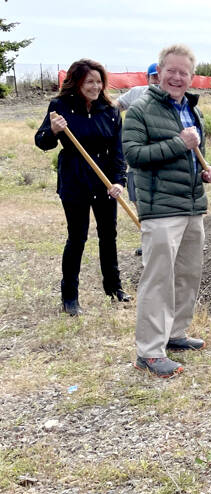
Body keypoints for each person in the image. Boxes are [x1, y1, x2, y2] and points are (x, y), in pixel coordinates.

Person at [122, 44, 211, 378]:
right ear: (159, 72)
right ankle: (149, 352)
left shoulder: (192, 110)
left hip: (192, 204)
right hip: (161, 208)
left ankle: (175, 334)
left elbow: (194, 155)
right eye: (171, 71)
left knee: (188, 272)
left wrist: (206, 171)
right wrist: (181, 144)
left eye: (184, 72)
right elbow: (134, 155)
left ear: (192, 77)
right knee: (159, 278)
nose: (177, 77)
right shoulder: (141, 109)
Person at [34, 58, 130, 316]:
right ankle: (70, 297)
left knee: (108, 235)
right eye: (90, 82)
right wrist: (53, 131)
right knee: (77, 237)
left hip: (104, 180)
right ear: (77, 83)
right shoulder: (60, 107)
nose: (96, 87)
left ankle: (114, 288)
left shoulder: (110, 110)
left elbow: (118, 151)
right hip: (75, 179)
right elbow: (42, 142)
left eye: (99, 82)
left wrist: (120, 181)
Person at [117, 62, 159, 256]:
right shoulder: (136, 93)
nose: (158, 81)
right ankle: (148, 240)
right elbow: (115, 107)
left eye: (161, 76)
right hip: (136, 159)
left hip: (159, 162)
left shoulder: (172, 98)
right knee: (138, 200)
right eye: (154, 76)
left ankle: (160, 242)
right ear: (147, 77)